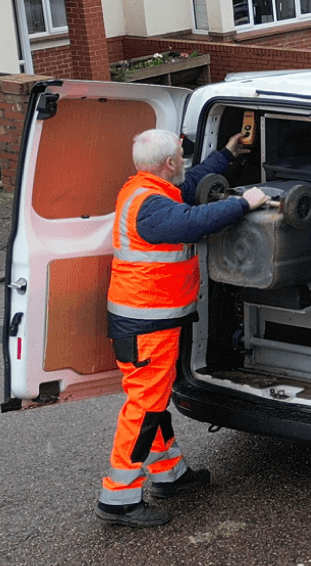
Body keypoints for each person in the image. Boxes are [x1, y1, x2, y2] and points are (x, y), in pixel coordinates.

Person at [95, 129, 268, 528]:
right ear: (170, 162)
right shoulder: (152, 207)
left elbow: (191, 186)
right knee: (144, 407)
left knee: (151, 401)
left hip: (149, 319)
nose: (184, 165)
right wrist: (244, 203)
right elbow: (192, 221)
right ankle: (118, 499)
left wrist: (227, 152)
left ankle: (169, 473)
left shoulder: (148, 188)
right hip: (146, 323)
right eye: (180, 157)